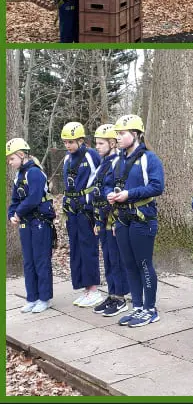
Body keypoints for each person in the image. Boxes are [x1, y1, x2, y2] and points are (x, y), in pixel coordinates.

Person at [104, 114, 165, 327]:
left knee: (144, 263)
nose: (118, 138)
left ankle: (150, 309)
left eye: (122, 133)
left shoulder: (149, 158)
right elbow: (107, 183)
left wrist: (129, 194)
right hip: (122, 218)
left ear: (136, 134)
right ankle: (137, 306)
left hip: (142, 218)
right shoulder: (117, 160)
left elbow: (157, 186)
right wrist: (110, 194)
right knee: (128, 264)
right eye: (117, 134)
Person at [7, 138, 56, 314]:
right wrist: (12, 214)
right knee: (28, 261)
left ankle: (44, 298)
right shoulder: (19, 175)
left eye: (12, 158)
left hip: (40, 221)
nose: (10, 162)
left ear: (22, 155)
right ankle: (32, 297)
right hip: (26, 223)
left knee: (40, 260)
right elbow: (15, 199)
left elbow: (34, 198)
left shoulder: (34, 172)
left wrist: (18, 213)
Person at [60, 122, 103, 307]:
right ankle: (85, 288)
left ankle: (94, 289)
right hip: (72, 210)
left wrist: (94, 201)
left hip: (87, 210)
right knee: (76, 249)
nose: (68, 145)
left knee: (88, 248)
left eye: (71, 142)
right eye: (65, 142)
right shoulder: (67, 159)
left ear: (81, 140)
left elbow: (102, 177)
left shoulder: (91, 155)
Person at [91, 124, 130, 317]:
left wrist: (116, 220)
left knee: (116, 259)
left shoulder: (117, 163)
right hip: (103, 217)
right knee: (107, 258)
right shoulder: (103, 163)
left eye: (101, 143)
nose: (97, 147)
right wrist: (98, 221)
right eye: (96, 143)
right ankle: (112, 293)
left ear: (112, 143)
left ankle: (120, 297)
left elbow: (116, 191)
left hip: (113, 218)